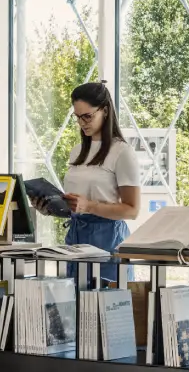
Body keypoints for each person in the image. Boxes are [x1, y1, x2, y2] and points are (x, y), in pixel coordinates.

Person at [47, 82, 141, 285]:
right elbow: (77, 203)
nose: (82, 123)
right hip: (76, 236)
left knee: (105, 307)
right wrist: (52, 206)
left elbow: (132, 210)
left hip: (107, 238)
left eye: (87, 116)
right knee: (74, 306)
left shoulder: (122, 152)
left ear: (105, 111)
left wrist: (89, 206)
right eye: (78, 117)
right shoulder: (77, 151)